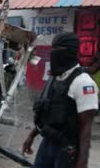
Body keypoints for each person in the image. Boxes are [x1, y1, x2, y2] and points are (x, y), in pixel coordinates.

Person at [22, 32, 98, 168]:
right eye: (52, 49)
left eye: (57, 50)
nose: (53, 54)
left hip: (67, 150)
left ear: (70, 52)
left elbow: (86, 128)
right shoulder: (54, 78)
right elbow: (47, 112)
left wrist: (82, 163)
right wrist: (32, 136)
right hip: (47, 144)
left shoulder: (83, 83)